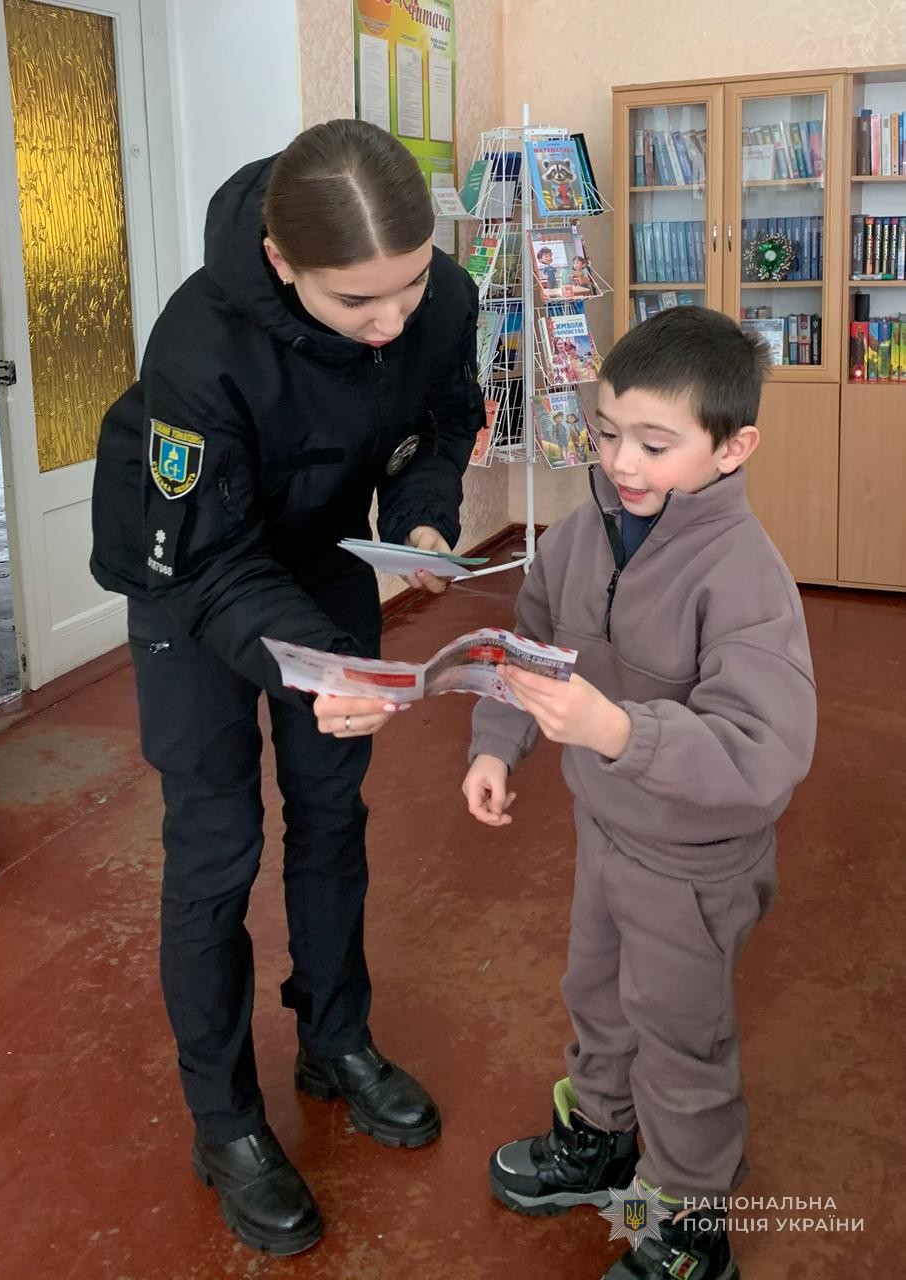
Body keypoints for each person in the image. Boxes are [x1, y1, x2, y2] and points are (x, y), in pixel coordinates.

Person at [91, 118, 484, 1257]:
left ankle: (335, 1036)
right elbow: (212, 562)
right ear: (281, 261)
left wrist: (424, 518)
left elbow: (444, 416)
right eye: (358, 300)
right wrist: (313, 669)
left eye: (411, 283)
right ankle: (224, 1121)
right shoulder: (199, 342)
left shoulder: (439, 297)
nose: (393, 320)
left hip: (320, 553)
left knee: (329, 809)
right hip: (190, 576)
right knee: (215, 845)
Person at [461, 307, 817, 1280]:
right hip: (606, 830)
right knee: (597, 996)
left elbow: (765, 748)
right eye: (609, 430)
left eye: (656, 444)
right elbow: (529, 646)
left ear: (732, 448)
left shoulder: (744, 577)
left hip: (697, 863)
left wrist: (620, 730)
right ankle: (601, 1137)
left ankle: (691, 1223)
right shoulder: (580, 535)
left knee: (681, 1041)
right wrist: (497, 744)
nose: (623, 460)